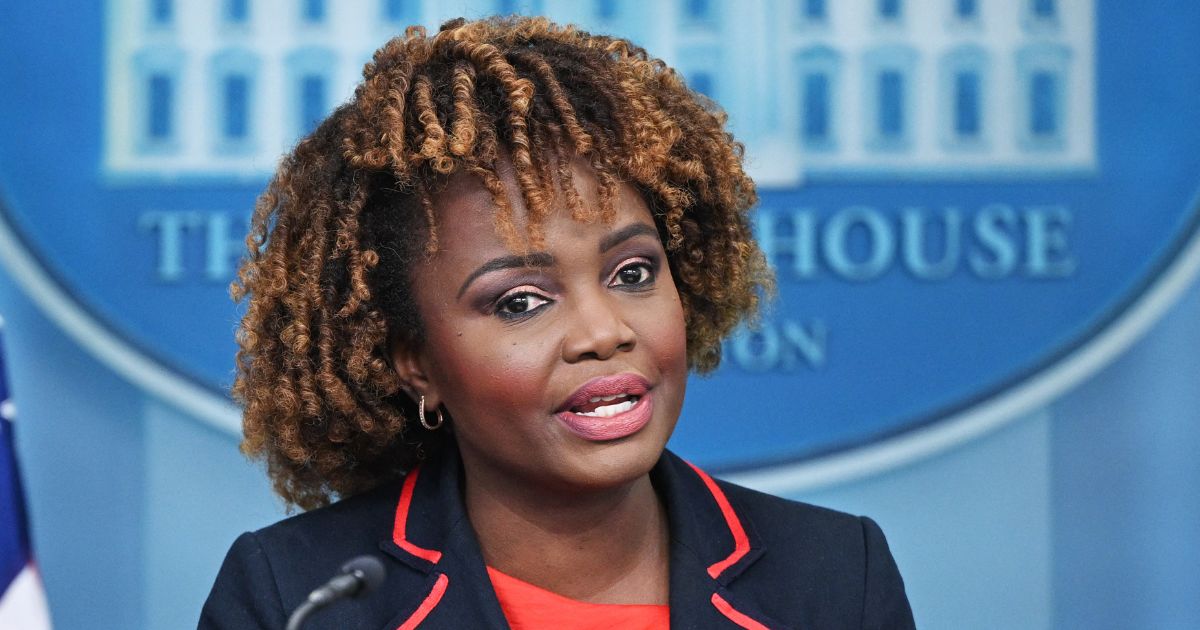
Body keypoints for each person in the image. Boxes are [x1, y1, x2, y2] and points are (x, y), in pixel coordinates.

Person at [199, 15, 915, 629]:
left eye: (633, 274)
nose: (603, 332)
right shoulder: (302, 598)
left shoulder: (831, 579)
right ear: (414, 358)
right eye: (520, 302)